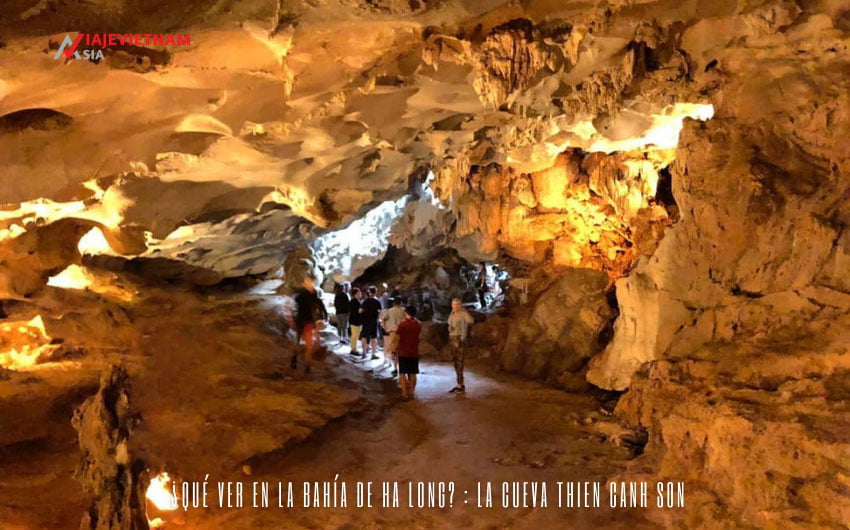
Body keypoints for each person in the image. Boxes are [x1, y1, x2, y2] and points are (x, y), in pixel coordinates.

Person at [292, 274, 327, 373]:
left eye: (310, 282)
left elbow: (319, 304)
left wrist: (323, 316)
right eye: (307, 282)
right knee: (299, 342)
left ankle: (307, 364)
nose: (309, 284)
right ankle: (295, 357)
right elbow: (298, 302)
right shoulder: (302, 295)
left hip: (309, 321)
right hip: (301, 321)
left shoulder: (313, 294)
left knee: (309, 344)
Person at [447, 298, 474, 393]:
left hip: (459, 339)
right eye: (454, 304)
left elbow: (470, 321)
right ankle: (460, 383)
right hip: (452, 337)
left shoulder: (462, 314)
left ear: (460, 305)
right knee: (455, 362)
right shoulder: (452, 313)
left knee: (459, 361)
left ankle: (460, 384)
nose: (455, 306)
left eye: (457, 304)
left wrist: (465, 312)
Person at [395, 305, 422, 400]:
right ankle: (411, 393)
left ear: (406, 313)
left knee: (402, 373)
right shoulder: (418, 324)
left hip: (403, 351)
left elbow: (397, 338)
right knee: (413, 373)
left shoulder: (402, 325)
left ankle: (404, 393)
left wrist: (393, 348)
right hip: (414, 351)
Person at [381, 297, 406, 376]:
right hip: (403, 333)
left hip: (393, 333)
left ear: (393, 303)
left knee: (394, 351)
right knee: (403, 350)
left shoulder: (389, 311)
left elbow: (383, 320)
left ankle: (395, 368)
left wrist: (386, 329)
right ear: (401, 302)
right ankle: (403, 368)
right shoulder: (404, 310)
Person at [359, 286, 383, 359]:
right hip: (374, 321)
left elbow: (360, 311)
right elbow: (380, 312)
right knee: (374, 338)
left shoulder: (365, 301)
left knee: (364, 337)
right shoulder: (377, 302)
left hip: (366, 321)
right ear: (375, 292)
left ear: (369, 293)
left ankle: (364, 353)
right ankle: (373, 354)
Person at [348, 287, 363, 357]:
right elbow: (357, 311)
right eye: (359, 292)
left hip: (356, 320)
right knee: (354, 336)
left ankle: (354, 348)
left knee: (355, 336)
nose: (360, 293)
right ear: (355, 294)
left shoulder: (355, 301)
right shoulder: (354, 301)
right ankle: (353, 349)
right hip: (355, 321)